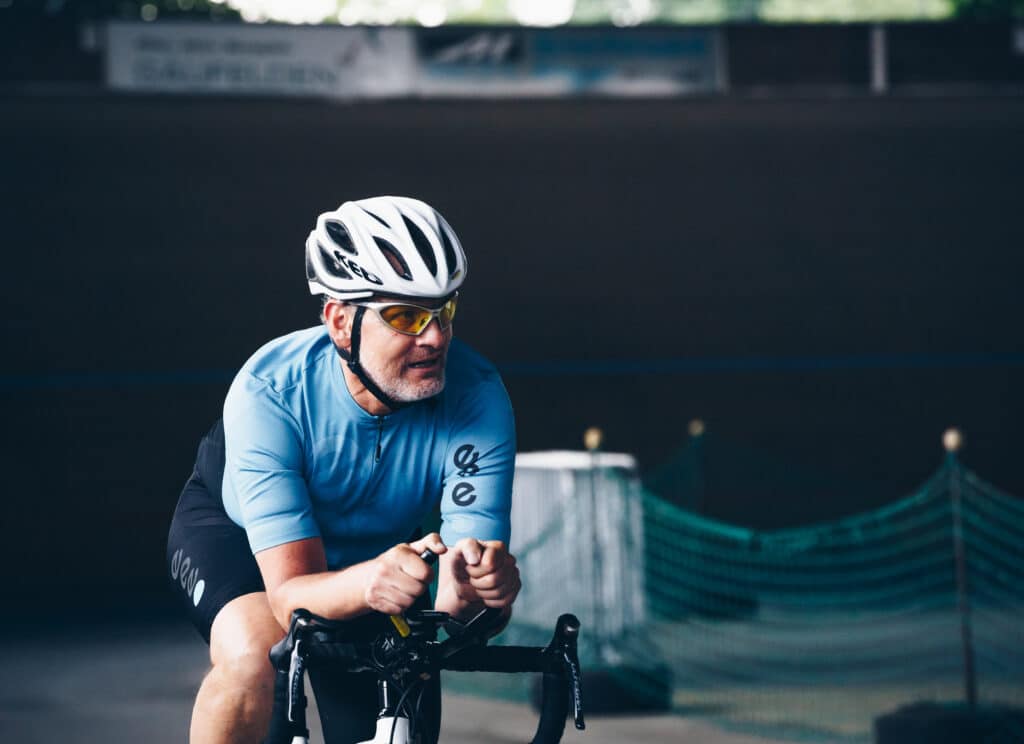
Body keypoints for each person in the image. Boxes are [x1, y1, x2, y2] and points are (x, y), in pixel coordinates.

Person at [166, 196, 521, 744]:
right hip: (242, 543)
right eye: (406, 315)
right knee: (257, 659)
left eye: (444, 309)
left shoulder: (478, 398)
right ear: (339, 322)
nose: (435, 337)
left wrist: (482, 595)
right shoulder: (269, 393)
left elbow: (457, 610)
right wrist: (366, 581)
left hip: (381, 563)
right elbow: (289, 599)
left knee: (404, 681)